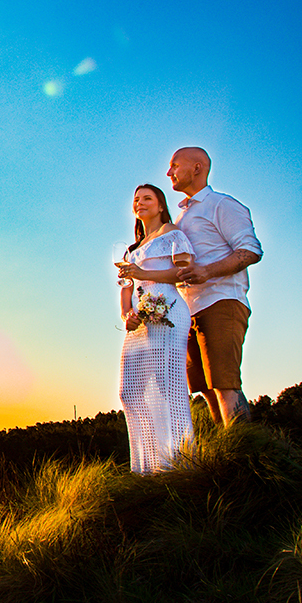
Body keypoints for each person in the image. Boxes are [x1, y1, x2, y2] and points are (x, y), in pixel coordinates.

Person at [166, 147, 263, 426]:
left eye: (175, 165)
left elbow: (250, 251)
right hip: (188, 312)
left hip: (221, 302)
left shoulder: (222, 204)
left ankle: (244, 445)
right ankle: (226, 447)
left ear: (197, 168)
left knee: (224, 383)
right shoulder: (180, 218)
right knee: (205, 389)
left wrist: (207, 271)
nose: (169, 172)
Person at [116, 184, 195, 474]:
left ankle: (180, 462)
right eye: (136, 199)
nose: (140, 202)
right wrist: (127, 314)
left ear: (161, 205)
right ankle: (149, 465)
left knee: (168, 387)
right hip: (140, 320)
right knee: (130, 391)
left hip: (168, 310)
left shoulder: (172, 233)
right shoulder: (132, 249)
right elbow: (126, 286)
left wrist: (144, 273)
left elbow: (184, 272)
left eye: (147, 198)